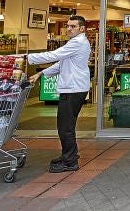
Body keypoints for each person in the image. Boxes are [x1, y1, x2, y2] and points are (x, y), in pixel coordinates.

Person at [26, 15, 91, 173]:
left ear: (81, 29)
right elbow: (61, 63)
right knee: (66, 126)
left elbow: (53, 55)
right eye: (68, 26)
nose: (69, 29)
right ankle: (68, 155)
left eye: (73, 26)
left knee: (65, 127)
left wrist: (26, 57)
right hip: (74, 88)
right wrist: (40, 74)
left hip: (73, 89)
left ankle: (70, 161)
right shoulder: (76, 42)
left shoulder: (78, 42)